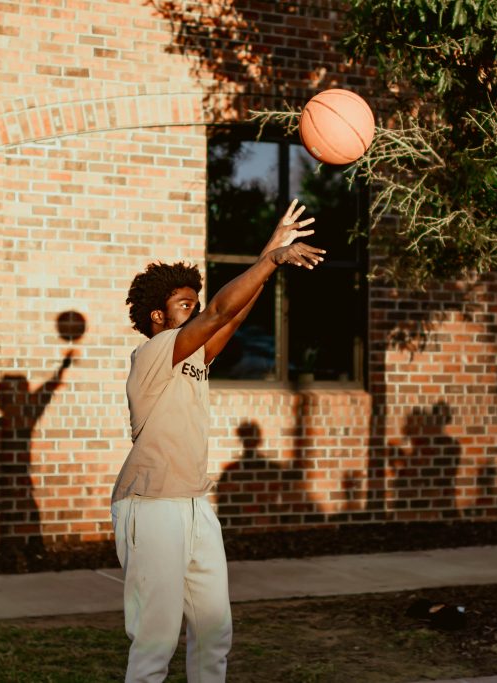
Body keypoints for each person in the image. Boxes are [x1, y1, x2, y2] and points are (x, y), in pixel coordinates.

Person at [111, 199, 322, 682]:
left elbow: (231, 316)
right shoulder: (152, 354)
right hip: (151, 504)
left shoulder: (192, 358)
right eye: (186, 305)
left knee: (213, 629)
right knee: (156, 637)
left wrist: (271, 251)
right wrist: (270, 259)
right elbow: (222, 309)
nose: (198, 311)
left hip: (193, 505)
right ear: (157, 317)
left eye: (196, 303)